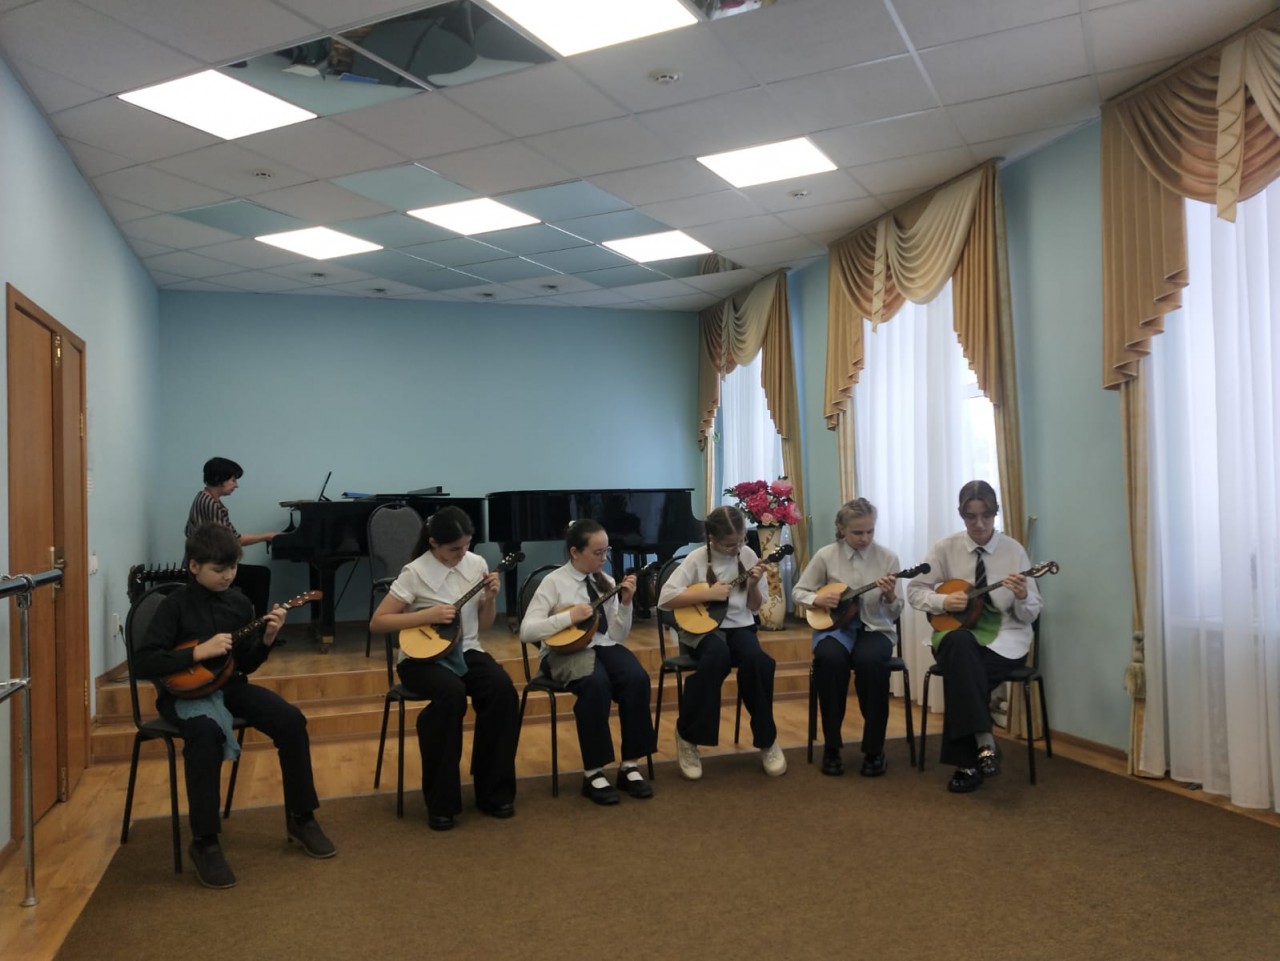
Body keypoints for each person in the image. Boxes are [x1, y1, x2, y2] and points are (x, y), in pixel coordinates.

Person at [133, 522, 335, 889]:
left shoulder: (240, 602)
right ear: (194, 566)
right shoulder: (174, 605)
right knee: (205, 734)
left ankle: (301, 817)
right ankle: (205, 841)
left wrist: (268, 638)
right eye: (218, 569)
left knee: (291, 720)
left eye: (233, 568)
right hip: (181, 695)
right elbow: (144, 662)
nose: (228, 576)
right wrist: (197, 652)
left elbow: (244, 664)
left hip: (229, 686)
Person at [368, 507, 518, 831]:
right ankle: (442, 802)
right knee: (452, 694)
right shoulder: (415, 572)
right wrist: (427, 615)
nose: (462, 554)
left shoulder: (475, 564)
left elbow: (483, 626)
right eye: (454, 548)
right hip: (421, 659)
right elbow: (378, 622)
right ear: (434, 543)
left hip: (467, 650)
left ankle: (494, 792)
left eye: (466, 546)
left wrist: (491, 598)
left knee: (502, 690)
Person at [907, 480, 1042, 794]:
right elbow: (914, 591)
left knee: (962, 674)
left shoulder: (1014, 551)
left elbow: (1031, 613)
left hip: (1005, 640)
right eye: (971, 516)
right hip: (958, 634)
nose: (979, 524)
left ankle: (968, 764)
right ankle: (985, 742)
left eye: (986, 516)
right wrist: (943, 601)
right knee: (960, 644)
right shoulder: (945, 548)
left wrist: (1022, 596)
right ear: (961, 514)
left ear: (996, 513)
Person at [520, 519, 656, 805]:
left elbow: (616, 635)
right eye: (597, 552)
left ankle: (630, 764)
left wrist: (627, 603)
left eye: (606, 551)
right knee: (595, 684)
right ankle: (593, 771)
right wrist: (568, 617)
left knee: (637, 678)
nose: (604, 558)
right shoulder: (554, 582)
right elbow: (527, 631)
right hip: (562, 652)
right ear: (575, 552)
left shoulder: (605, 581)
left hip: (602, 645)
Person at [657, 505, 788, 780]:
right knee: (717, 656)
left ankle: (767, 740)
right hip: (703, 631)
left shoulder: (749, 555)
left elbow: (754, 607)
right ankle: (688, 736)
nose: (737, 548)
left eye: (741, 541)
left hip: (740, 627)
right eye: (730, 544)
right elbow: (665, 599)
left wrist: (753, 585)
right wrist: (707, 593)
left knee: (758, 662)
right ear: (712, 539)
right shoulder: (695, 559)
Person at [792, 498, 903, 778]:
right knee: (829, 660)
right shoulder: (826, 556)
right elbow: (798, 592)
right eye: (857, 532)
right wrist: (817, 598)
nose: (865, 538)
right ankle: (832, 747)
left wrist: (891, 595)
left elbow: (895, 611)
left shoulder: (887, 558)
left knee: (871, 664)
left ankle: (875, 749)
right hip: (835, 628)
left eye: (870, 531)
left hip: (874, 628)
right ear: (842, 529)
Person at [184, 456, 279, 618]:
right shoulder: (211, 504)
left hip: (204, 561)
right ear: (219, 479)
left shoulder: (203, 498)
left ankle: (245, 621)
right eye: (233, 480)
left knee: (255, 576)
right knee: (261, 575)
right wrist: (268, 535)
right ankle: (258, 625)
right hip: (208, 565)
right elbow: (234, 540)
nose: (236, 485)